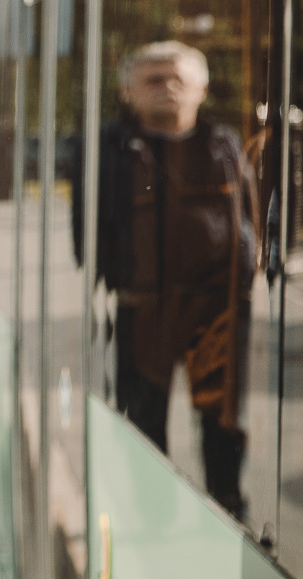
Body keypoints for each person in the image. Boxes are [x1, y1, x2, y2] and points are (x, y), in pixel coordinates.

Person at [86, 40, 256, 516]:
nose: (167, 89)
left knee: (223, 423)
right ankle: (150, 518)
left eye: (178, 79)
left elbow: (254, 217)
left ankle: (228, 514)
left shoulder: (224, 144)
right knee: (142, 419)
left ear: (202, 88)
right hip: (143, 309)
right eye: (153, 79)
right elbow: (90, 221)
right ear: (127, 90)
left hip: (217, 312)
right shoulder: (108, 148)